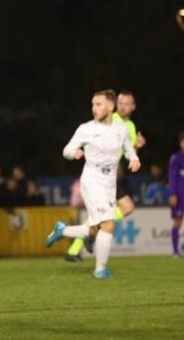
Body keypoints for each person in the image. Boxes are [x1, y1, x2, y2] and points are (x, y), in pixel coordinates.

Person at [46, 89, 140, 278]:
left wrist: (134, 158)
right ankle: (100, 270)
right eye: (92, 104)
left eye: (98, 104)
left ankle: (62, 230)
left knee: (95, 229)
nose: (94, 108)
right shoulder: (86, 128)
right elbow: (67, 149)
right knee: (108, 224)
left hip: (109, 183)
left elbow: (128, 147)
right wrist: (73, 153)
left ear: (110, 106)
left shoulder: (121, 128)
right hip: (91, 181)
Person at [64, 90, 146, 261]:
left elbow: (125, 151)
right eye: (121, 103)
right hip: (99, 177)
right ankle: (83, 241)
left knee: (122, 210)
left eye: (127, 104)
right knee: (122, 210)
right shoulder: (108, 119)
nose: (123, 107)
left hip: (111, 177)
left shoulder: (129, 126)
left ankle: (75, 248)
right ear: (115, 105)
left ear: (133, 107)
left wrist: (136, 149)